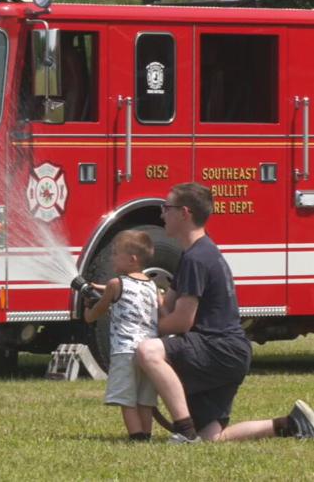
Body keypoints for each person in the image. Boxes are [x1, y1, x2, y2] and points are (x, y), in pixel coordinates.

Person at [136, 182, 314, 442]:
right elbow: (167, 306)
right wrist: (139, 295)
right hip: (231, 352)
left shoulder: (196, 258)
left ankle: (185, 432)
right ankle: (291, 424)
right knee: (212, 437)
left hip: (217, 349)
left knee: (148, 351)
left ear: (184, 213)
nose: (162, 214)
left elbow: (181, 322)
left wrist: (144, 330)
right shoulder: (195, 254)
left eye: (167, 208)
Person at [82, 230, 159, 442]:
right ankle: (146, 435)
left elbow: (96, 312)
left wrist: (88, 308)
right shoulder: (152, 285)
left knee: (127, 400)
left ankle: (136, 437)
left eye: (116, 253)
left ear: (132, 259)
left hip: (124, 352)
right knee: (145, 400)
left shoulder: (116, 284)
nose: (112, 258)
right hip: (149, 351)